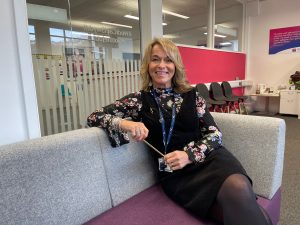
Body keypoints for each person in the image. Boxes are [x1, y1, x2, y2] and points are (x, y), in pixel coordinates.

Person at [87, 38, 272, 225]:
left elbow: (215, 135)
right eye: (155, 59)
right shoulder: (139, 100)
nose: (161, 65)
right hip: (175, 172)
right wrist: (125, 124)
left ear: (175, 65)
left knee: (239, 188)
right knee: (250, 212)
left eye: (168, 60)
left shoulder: (192, 95)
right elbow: (94, 116)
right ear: (147, 65)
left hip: (210, 160)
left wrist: (189, 155)